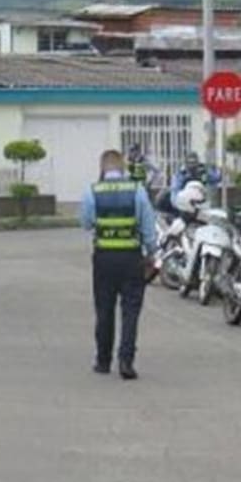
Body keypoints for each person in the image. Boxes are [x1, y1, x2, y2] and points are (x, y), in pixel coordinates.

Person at [80, 149, 157, 380]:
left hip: (104, 258)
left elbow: (86, 223)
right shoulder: (137, 190)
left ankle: (103, 361)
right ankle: (126, 360)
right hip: (131, 258)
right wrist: (151, 254)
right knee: (130, 311)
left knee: (104, 309)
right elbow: (148, 227)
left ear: (102, 168)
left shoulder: (92, 191)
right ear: (122, 167)